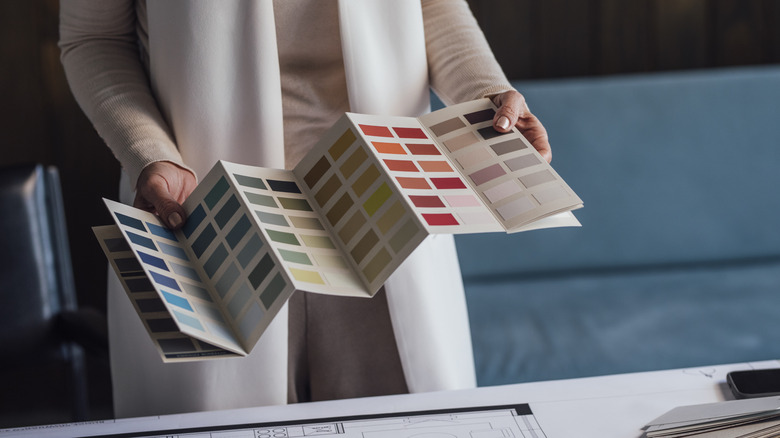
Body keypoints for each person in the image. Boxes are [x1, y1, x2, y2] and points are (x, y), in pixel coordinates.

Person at [59, 0, 552, 418]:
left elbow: (433, 7)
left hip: (383, 209)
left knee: (411, 421)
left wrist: (485, 92)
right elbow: (93, 38)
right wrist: (149, 151)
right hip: (208, 214)